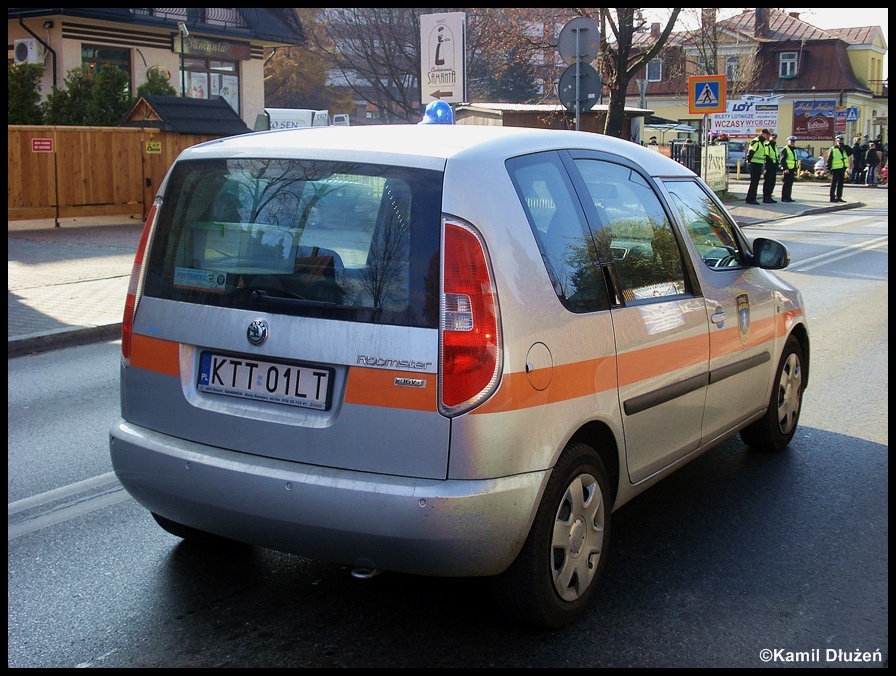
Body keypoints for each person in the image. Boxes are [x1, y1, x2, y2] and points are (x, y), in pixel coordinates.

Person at [745, 128, 771, 204]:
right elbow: (751, 152)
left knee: (755, 182)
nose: (767, 136)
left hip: (759, 164)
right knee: (754, 182)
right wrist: (749, 161)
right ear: (762, 133)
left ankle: (751, 198)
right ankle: (751, 199)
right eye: (766, 134)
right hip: (754, 164)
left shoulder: (762, 142)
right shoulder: (756, 141)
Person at [826, 134, 850, 202]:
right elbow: (829, 159)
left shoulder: (844, 149)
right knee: (834, 184)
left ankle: (839, 196)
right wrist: (829, 168)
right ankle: (832, 197)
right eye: (839, 140)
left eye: (842, 140)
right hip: (835, 169)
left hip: (842, 168)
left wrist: (845, 146)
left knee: (840, 184)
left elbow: (851, 152)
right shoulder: (833, 149)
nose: (840, 142)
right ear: (836, 141)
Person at [778, 135, 799, 202]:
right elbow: (782, 160)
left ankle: (788, 197)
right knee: (786, 184)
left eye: (793, 141)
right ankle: (784, 197)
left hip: (792, 169)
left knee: (790, 184)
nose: (792, 143)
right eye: (791, 141)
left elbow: (794, 160)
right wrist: (785, 168)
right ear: (788, 141)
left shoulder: (794, 150)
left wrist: (796, 168)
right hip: (787, 169)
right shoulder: (785, 149)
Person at [762, 132, 779, 203]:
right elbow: (766, 155)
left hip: (774, 167)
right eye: (772, 137)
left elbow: (776, 156)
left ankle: (769, 196)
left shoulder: (775, 146)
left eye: (775, 137)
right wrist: (771, 163)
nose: (774, 139)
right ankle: (765, 197)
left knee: (772, 182)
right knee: (768, 182)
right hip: (768, 166)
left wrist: (776, 163)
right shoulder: (766, 145)